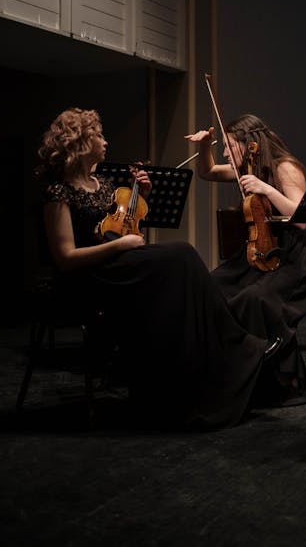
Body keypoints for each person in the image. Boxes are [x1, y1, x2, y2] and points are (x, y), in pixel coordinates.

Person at [34, 107, 282, 431]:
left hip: (116, 268)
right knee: (180, 256)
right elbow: (65, 257)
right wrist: (119, 247)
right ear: (81, 142)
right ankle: (239, 350)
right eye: (99, 135)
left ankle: (213, 366)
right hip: (88, 279)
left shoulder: (104, 184)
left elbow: (121, 229)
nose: (106, 141)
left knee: (181, 266)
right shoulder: (59, 193)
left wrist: (143, 199)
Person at [185, 114, 306, 407]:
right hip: (259, 250)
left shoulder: (285, 168)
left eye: (229, 146)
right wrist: (205, 146)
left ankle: (278, 378)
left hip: (294, 256)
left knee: (256, 298)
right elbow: (208, 171)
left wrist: (266, 188)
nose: (225, 152)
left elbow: (302, 220)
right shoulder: (245, 168)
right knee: (213, 286)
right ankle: (230, 371)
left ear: (249, 143)